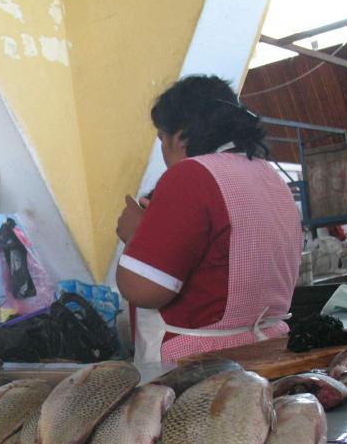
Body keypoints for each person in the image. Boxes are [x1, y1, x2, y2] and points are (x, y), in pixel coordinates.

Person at [115, 75, 301, 364]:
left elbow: (143, 289)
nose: (163, 148)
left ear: (182, 134)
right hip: (269, 351)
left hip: (197, 367)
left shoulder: (190, 176)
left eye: (162, 137)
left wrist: (135, 237)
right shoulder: (268, 175)